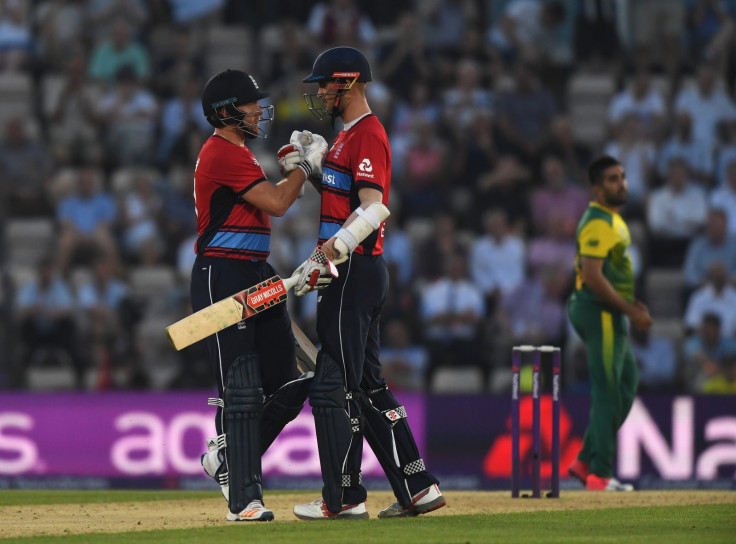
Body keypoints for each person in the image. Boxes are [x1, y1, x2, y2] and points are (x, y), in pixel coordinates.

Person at [291, 46, 445, 520]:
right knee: (369, 386)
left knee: (336, 386)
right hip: (358, 270)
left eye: (324, 84)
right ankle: (418, 487)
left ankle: (344, 497)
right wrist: (316, 171)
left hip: (351, 271)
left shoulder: (368, 134)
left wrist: (331, 251)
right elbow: (346, 203)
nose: (318, 93)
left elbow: (374, 206)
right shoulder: (346, 137)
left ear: (348, 83)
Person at [190, 69, 328, 522]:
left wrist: (296, 171)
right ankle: (244, 501)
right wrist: (304, 169)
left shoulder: (240, 152)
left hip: (255, 270)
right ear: (227, 111)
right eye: (249, 104)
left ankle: (226, 454)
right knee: (241, 387)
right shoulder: (220, 152)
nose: (257, 111)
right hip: (222, 272)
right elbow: (276, 203)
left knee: (289, 384)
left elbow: (273, 198)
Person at [567, 155, 653, 492]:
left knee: (627, 384)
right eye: (613, 179)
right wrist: (630, 312)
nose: (622, 184)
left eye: (623, 177)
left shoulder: (613, 219)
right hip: (597, 311)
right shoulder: (597, 222)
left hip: (611, 311)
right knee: (606, 391)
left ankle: (584, 460)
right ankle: (600, 476)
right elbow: (592, 277)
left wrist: (629, 305)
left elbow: (612, 275)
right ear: (597, 188)